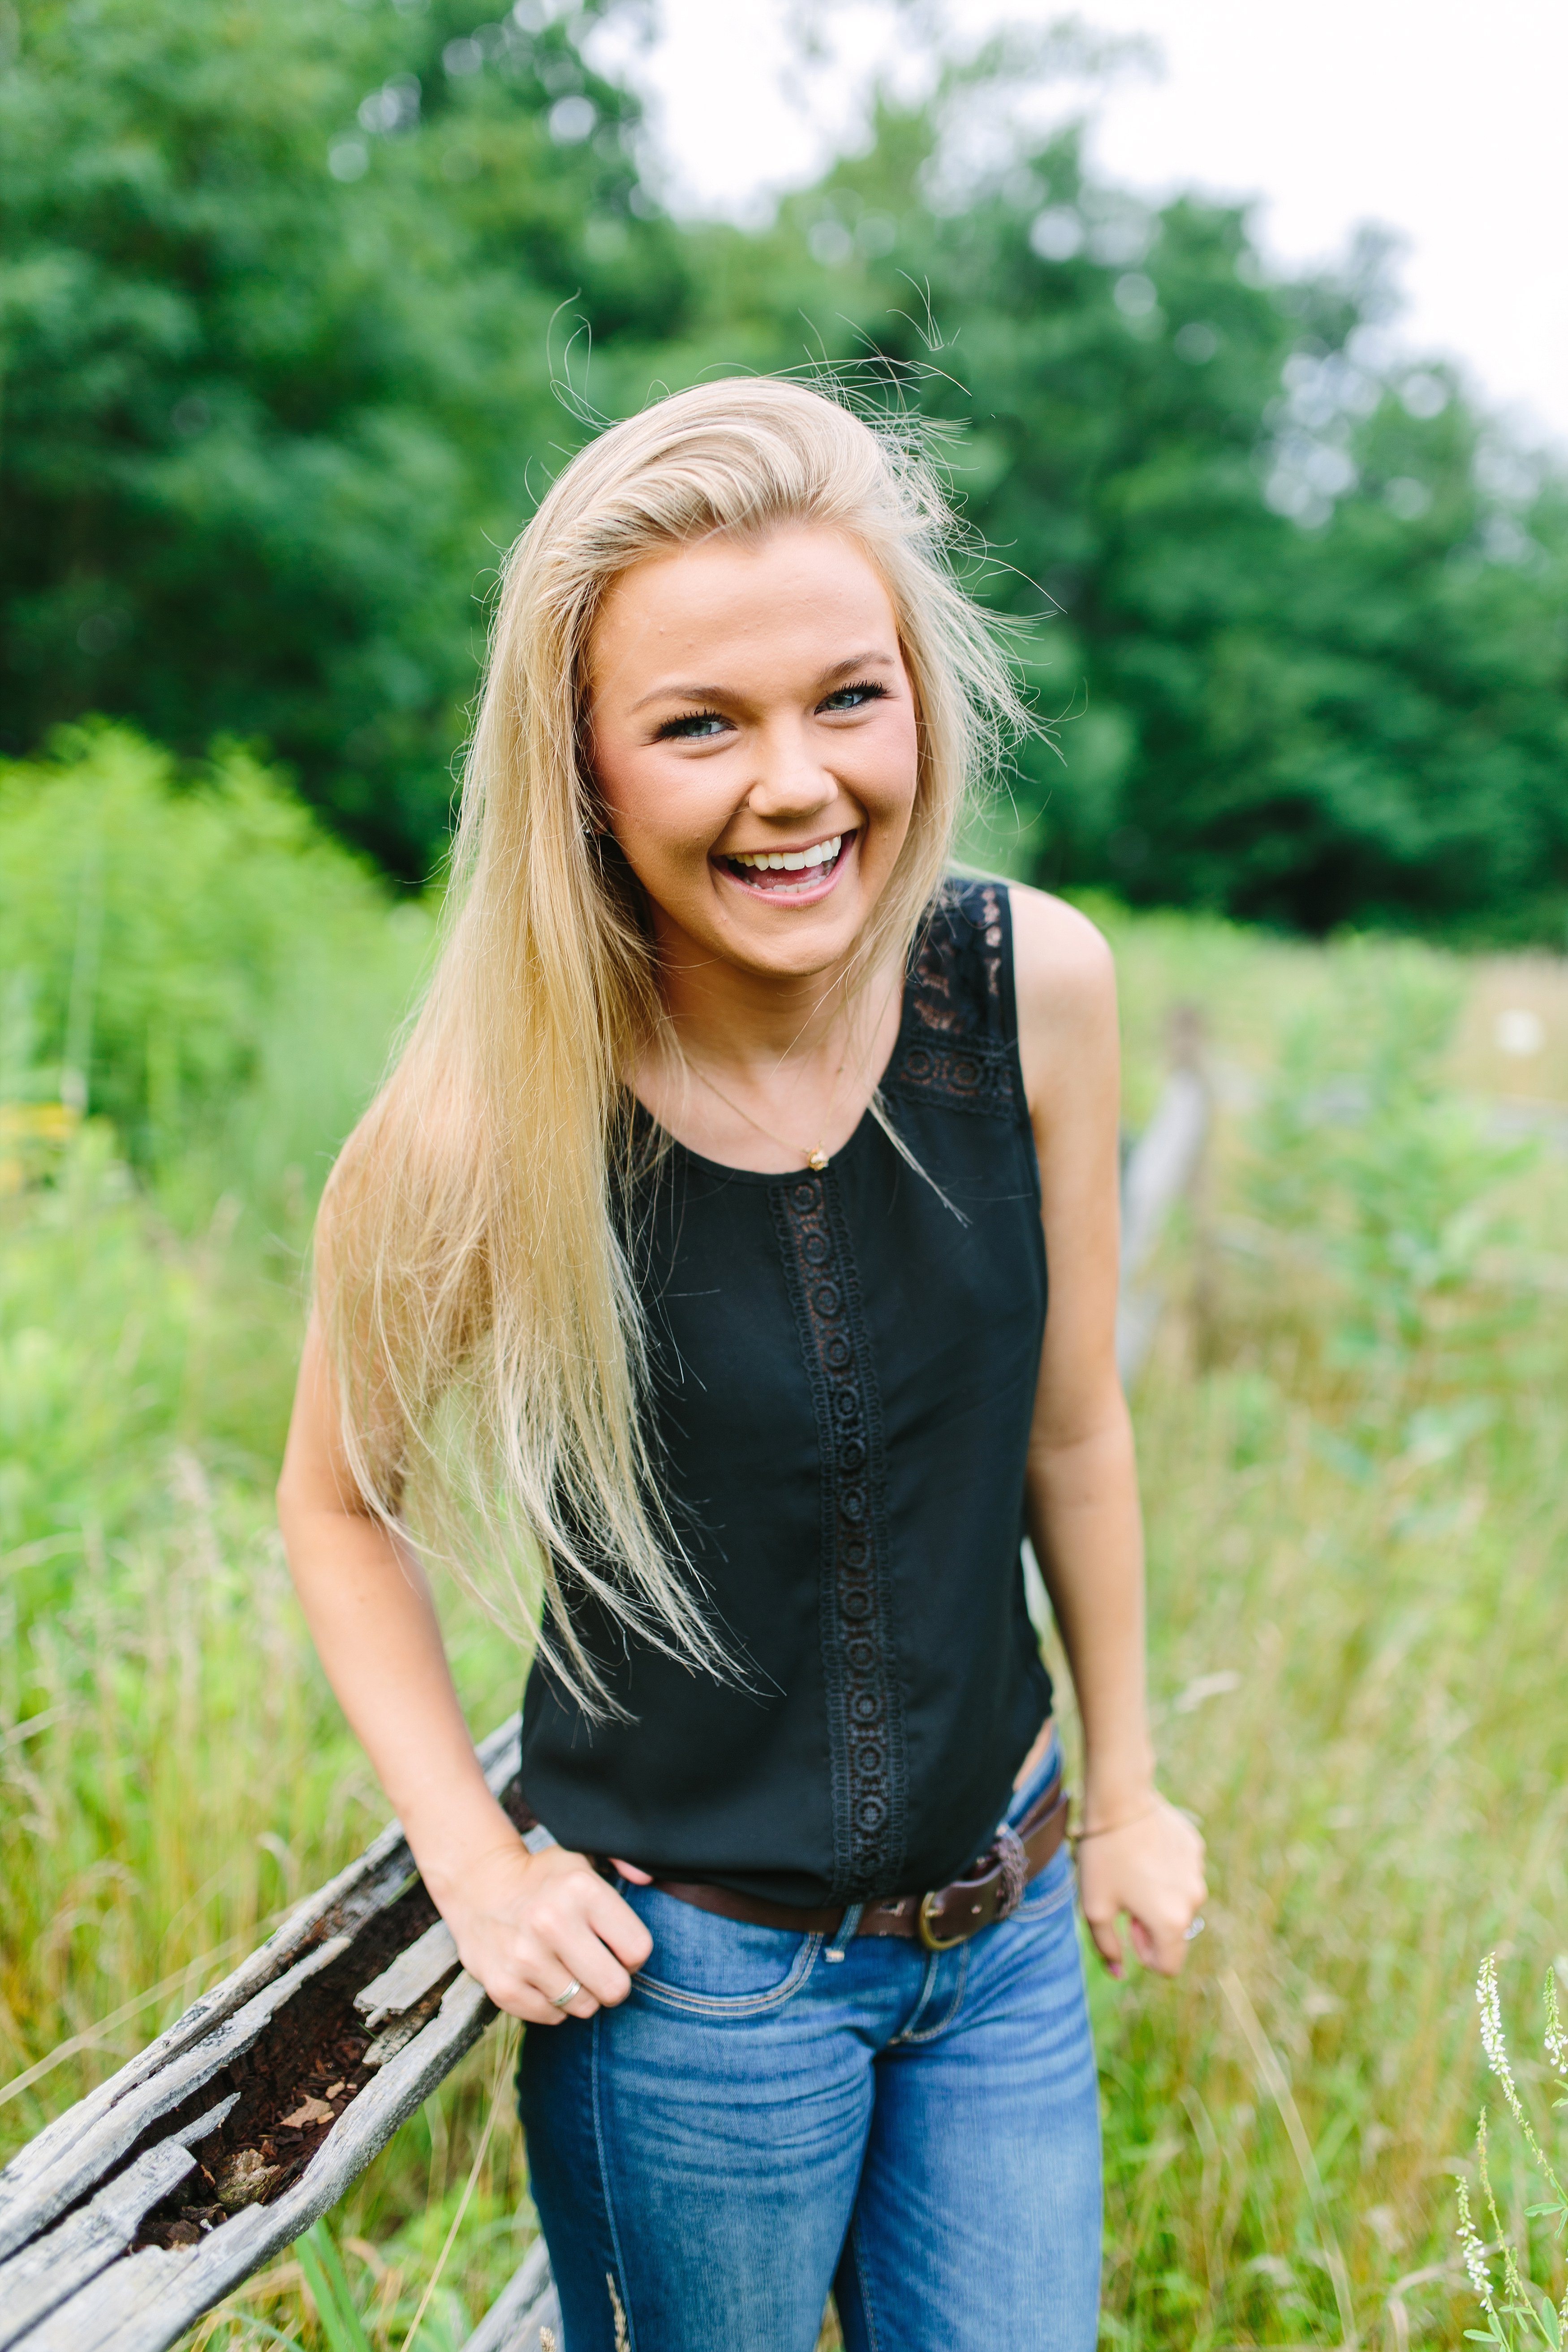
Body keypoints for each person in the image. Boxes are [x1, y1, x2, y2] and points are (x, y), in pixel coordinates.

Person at [277, 376, 1206, 2352]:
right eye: (700, 724)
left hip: (1005, 1936)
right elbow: (340, 1503)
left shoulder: (1029, 988)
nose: (795, 784)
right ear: (586, 769)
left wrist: (1122, 1791)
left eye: (844, 697)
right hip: (697, 1996)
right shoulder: (477, 1121)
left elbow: (1073, 1428)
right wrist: (474, 1857)